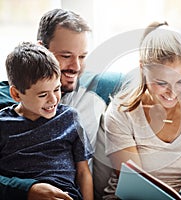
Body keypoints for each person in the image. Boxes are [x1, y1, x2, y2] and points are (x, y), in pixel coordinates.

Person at [0, 8, 111, 199]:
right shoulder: (6, 104)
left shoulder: (88, 98)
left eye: (82, 56)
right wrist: (27, 190)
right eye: (66, 56)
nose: (76, 67)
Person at [103, 21, 181, 199]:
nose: (173, 93)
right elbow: (136, 188)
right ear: (143, 68)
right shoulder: (122, 113)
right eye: (162, 83)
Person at [0, 42, 93, 200]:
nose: (53, 100)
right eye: (42, 95)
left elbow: (83, 172)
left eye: (56, 89)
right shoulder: (3, 124)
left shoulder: (70, 118)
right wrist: (27, 191)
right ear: (16, 94)